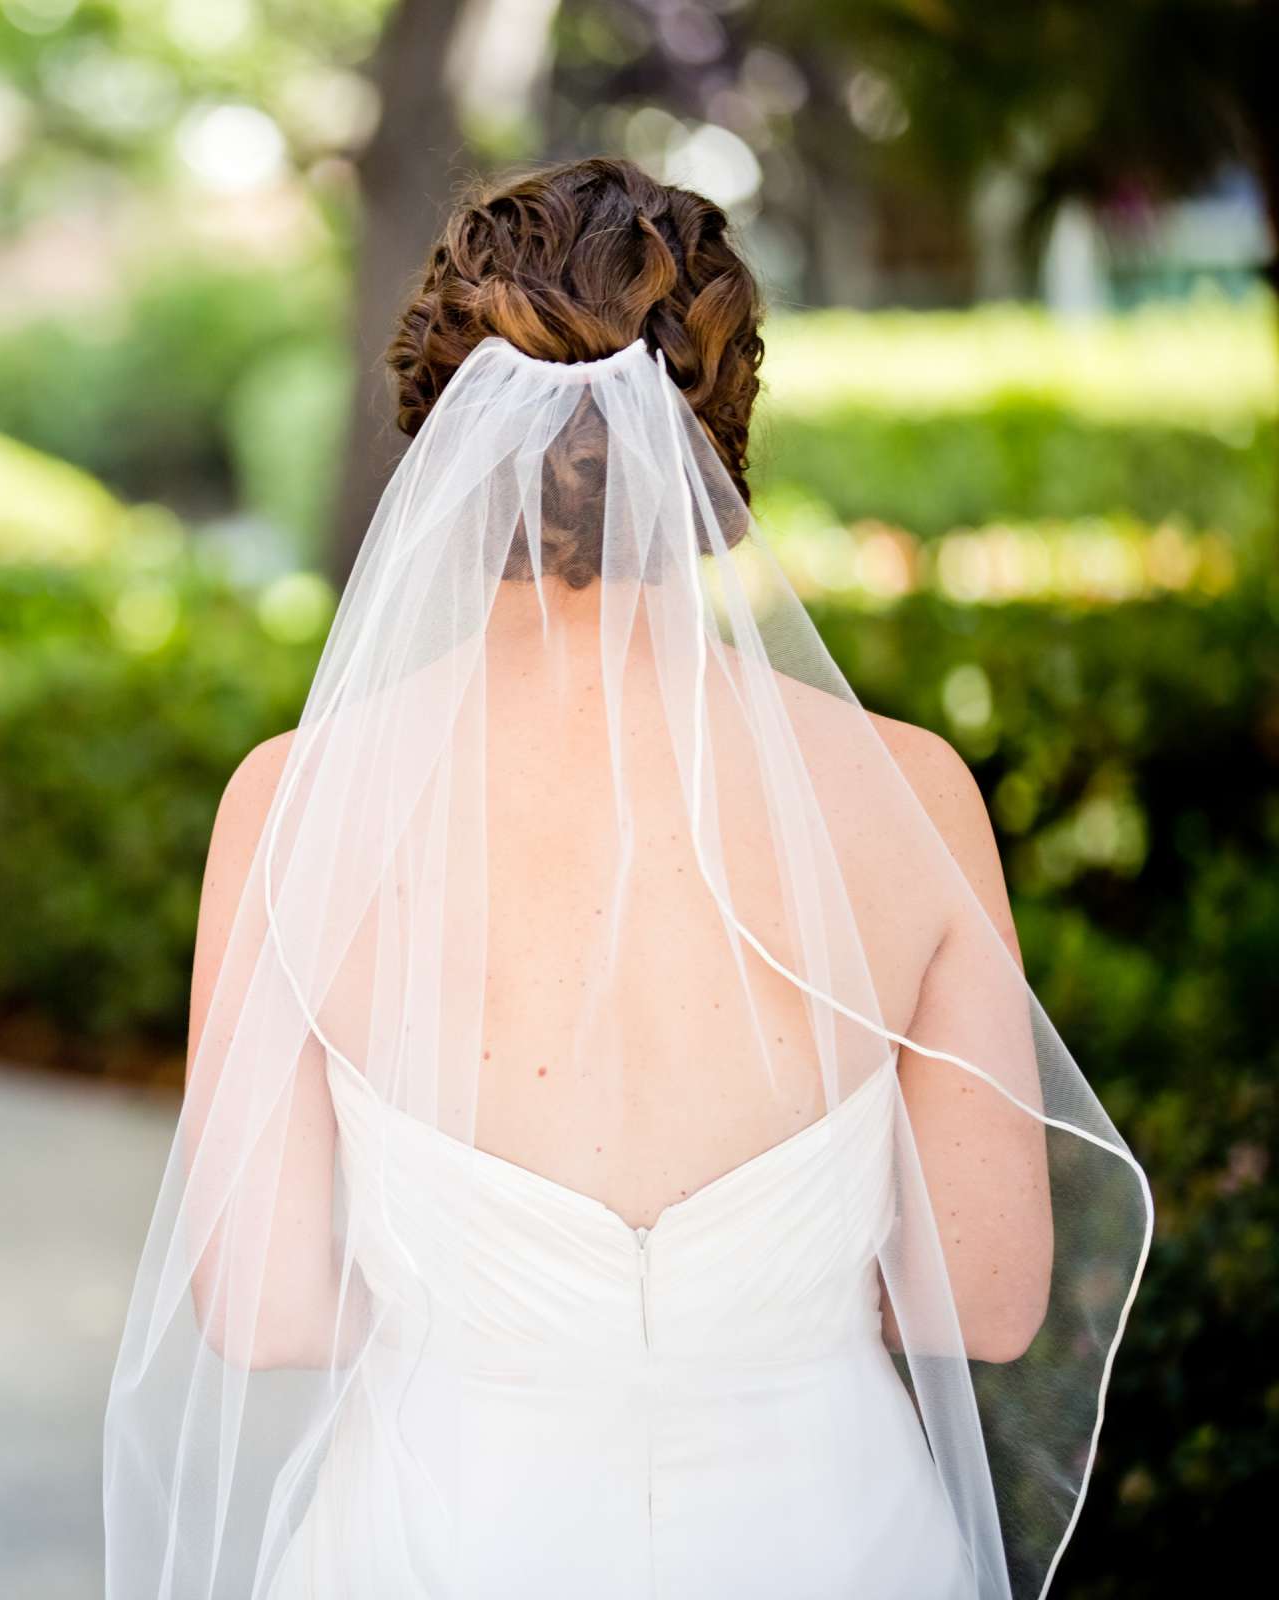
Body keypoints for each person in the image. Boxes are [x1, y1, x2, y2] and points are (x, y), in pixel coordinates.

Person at [101, 158, 1150, 1600]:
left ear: (439, 426)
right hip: (830, 1536)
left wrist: (492, 1305)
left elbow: (266, 1307)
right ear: (721, 424)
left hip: (441, 1541)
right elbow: (987, 1294)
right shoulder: (907, 796)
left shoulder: (295, 805)